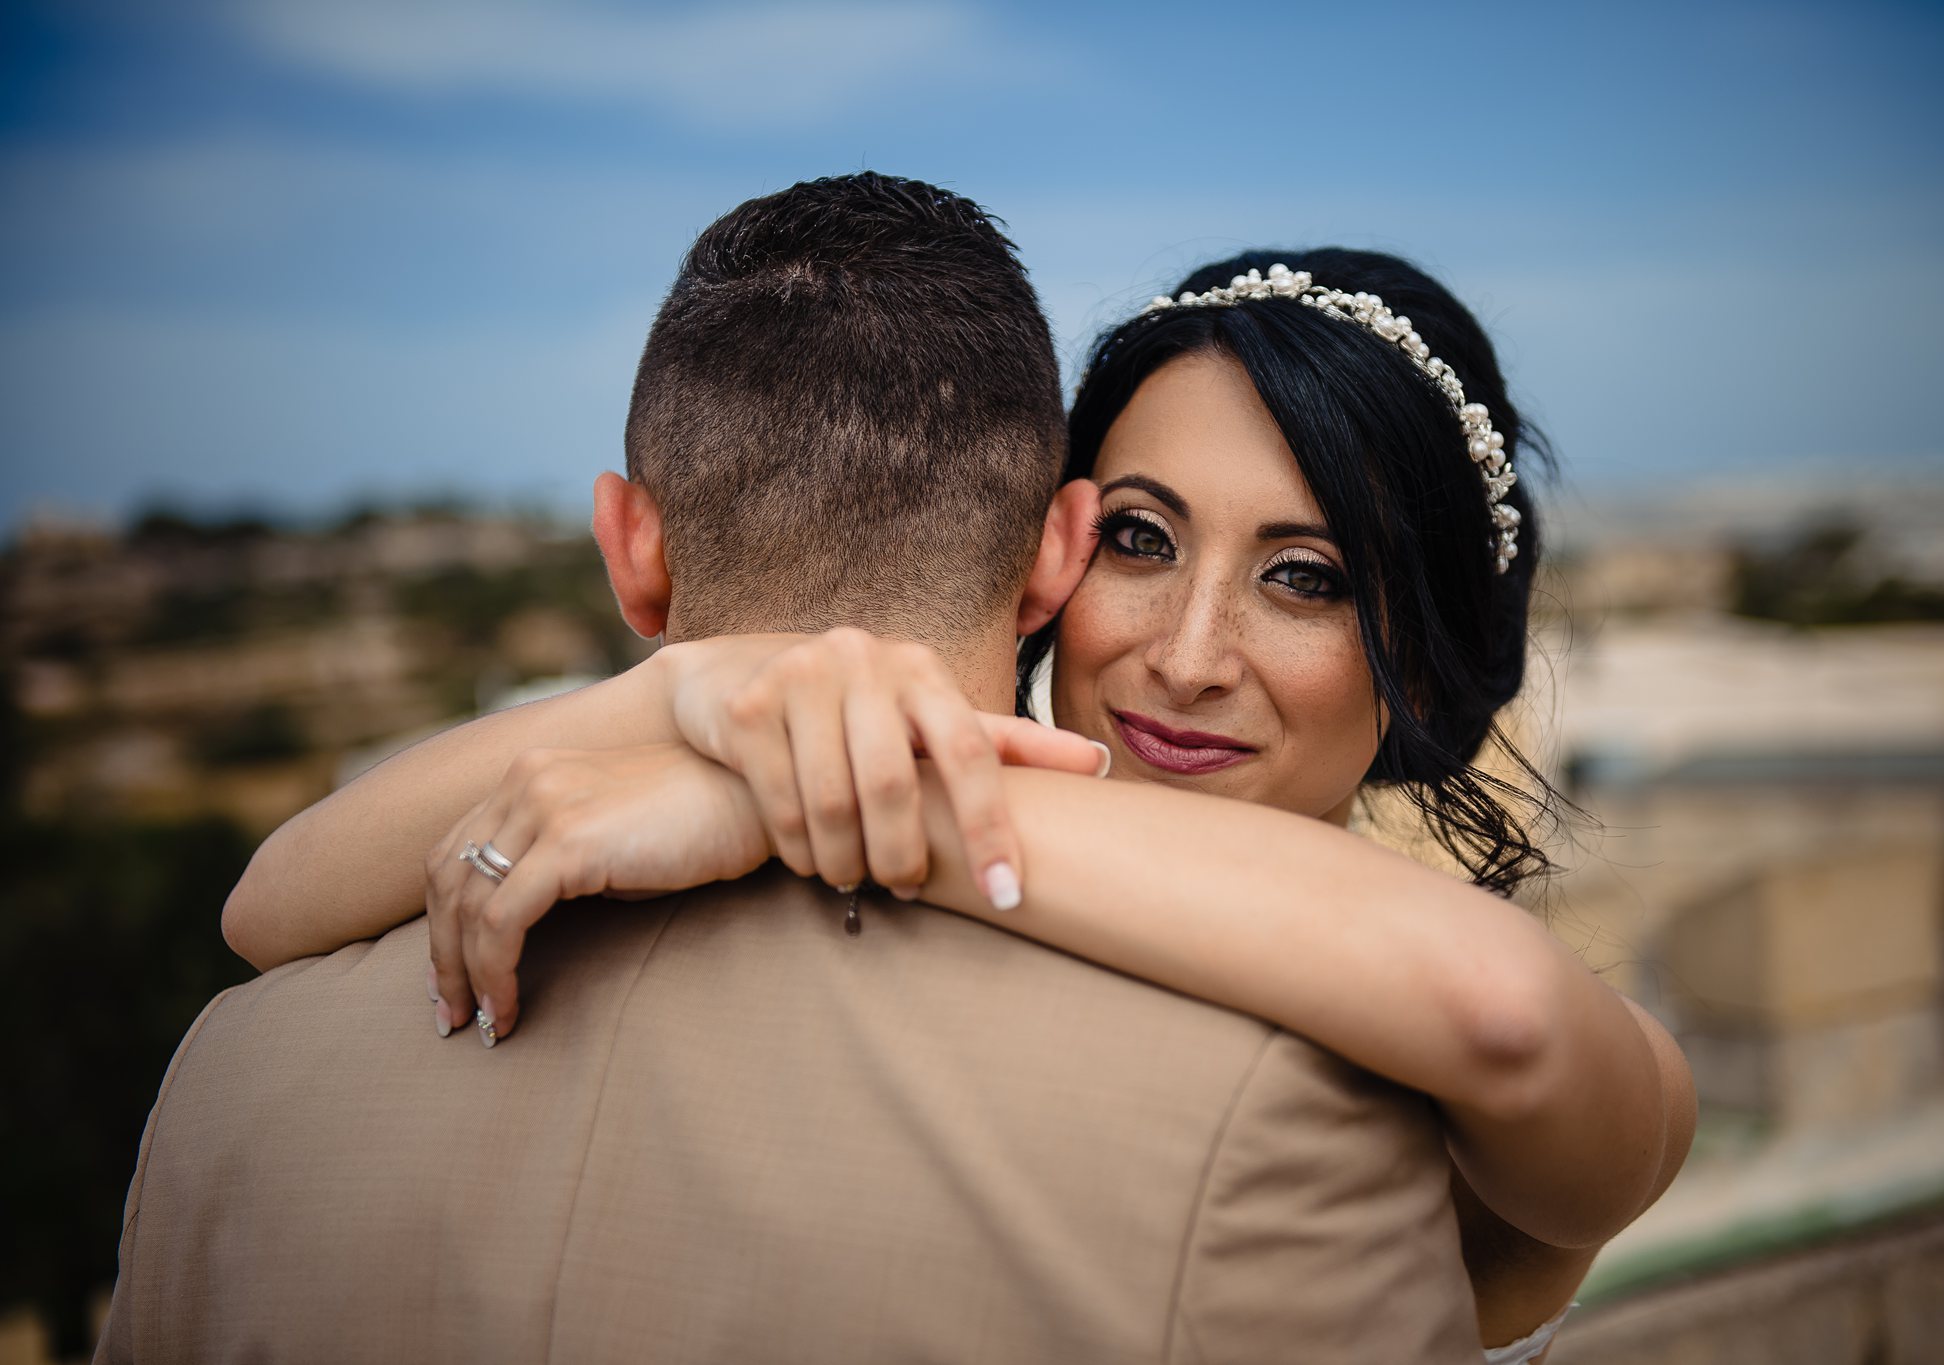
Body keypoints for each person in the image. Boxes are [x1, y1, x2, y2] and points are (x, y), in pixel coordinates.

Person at [210, 240, 1697, 1360]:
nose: (1187, 656)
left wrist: (833, 801)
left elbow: (1499, 1011)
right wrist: (689, 699)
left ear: (1419, 670)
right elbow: (267, 900)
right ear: (1050, 555)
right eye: (1140, 537)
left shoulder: (1451, 1046)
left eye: (1303, 579)